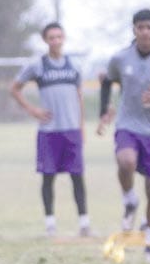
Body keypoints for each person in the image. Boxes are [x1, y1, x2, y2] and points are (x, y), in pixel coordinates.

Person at [97, 9, 150, 263]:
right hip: (128, 125)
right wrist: (104, 110)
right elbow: (107, 81)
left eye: (149, 27)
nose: (145, 32)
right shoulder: (121, 58)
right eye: (140, 27)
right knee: (126, 161)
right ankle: (129, 200)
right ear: (134, 30)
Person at [10, 22, 90, 238]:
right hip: (49, 131)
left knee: (77, 176)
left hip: (71, 130)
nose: (56, 41)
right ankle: (50, 225)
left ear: (64, 38)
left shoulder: (74, 65)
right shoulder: (38, 65)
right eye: (51, 37)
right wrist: (32, 110)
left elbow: (79, 97)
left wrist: (82, 126)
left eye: (59, 37)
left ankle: (84, 224)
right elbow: (15, 88)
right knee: (48, 177)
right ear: (45, 40)